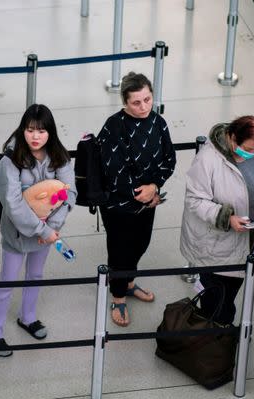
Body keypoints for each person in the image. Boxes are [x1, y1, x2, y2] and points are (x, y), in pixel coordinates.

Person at [0, 104, 76, 356]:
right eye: (30, 130)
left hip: (47, 232)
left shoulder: (59, 156)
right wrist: (42, 230)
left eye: (42, 131)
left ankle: (28, 317)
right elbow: (12, 204)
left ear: (50, 132)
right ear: (22, 130)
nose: (35, 136)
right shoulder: (10, 160)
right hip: (17, 233)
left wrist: (52, 227)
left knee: (35, 275)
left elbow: (69, 193)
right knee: (8, 281)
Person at [180, 115, 254, 325]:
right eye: (248, 149)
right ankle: (216, 341)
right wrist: (226, 218)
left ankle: (223, 335)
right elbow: (194, 199)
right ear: (232, 137)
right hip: (214, 246)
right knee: (217, 303)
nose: (252, 154)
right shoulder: (208, 158)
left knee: (229, 293)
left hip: (248, 241)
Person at [98, 72, 176, 327]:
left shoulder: (158, 122)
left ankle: (129, 283)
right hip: (118, 205)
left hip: (148, 200)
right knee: (120, 250)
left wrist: (153, 188)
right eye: (136, 102)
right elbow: (112, 170)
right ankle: (118, 296)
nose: (143, 107)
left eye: (147, 99)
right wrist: (143, 195)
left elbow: (169, 160)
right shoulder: (113, 126)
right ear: (125, 102)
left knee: (141, 243)